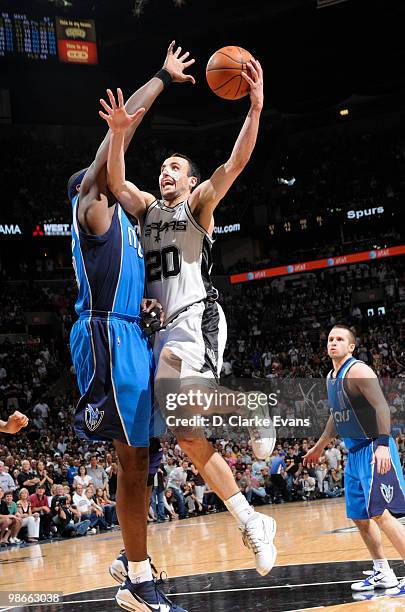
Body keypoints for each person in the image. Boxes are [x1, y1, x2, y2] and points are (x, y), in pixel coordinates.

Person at [105, 54, 276, 577]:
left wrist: (255, 106)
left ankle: (250, 408)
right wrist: (118, 134)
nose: (165, 171)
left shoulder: (196, 208)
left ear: (191, 180)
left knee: (170, 397)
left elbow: (235, 164)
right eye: (163, 167)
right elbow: (116, 181)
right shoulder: (147, 210)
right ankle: (250, 519)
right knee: (185, 435)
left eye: (175, 167)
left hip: (196, 319)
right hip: (161, 333)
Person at [68, 40, 194, 612]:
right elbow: (104, 161)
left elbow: (129, 285)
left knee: (142, 457)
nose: (101, 184)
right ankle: (138, 578)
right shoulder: (92, 206)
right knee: (131, 458)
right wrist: (160, 81)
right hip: (103, 337)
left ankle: (134, 562)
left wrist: (145, 308)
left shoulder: (131, 230)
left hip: (129, 335)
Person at [304, 324, 405, 597]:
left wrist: (383, 446)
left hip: (374, 448)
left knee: (382, 515)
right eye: (330, 339)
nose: (333, 343)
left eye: (340, 339)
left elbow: (382, 406)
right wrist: (318, 447)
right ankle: (383, 571)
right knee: (360, 517)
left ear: (351, 347)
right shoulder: (330, 377)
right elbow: (335, 416)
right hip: (355, 453)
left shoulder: (359, 370)